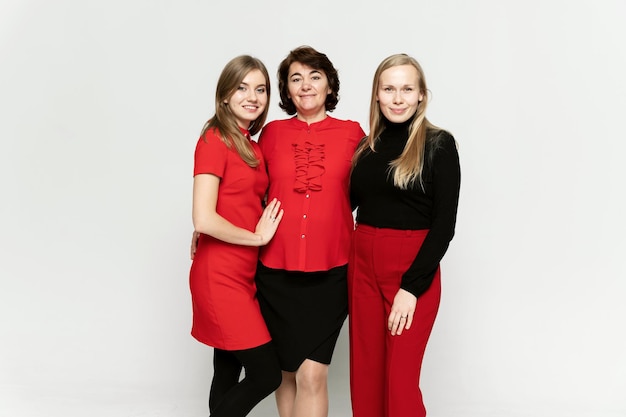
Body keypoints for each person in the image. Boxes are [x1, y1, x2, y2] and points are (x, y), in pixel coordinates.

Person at [254, 46, 365, 417]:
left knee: (312, 375)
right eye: (296, 78)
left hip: (331, 274)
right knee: (285, 374)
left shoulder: (354, 135)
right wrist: (207, 225)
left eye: (315, 77)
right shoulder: (269, 135)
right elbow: (245, 188)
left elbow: (376, 191)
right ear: (285, 90)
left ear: (330, 85)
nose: (306, 86)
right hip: (274, 273)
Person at [348, 54, 461, 417]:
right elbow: (335, 207)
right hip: (362, 265)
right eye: (389, 89)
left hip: (411, 269)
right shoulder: (366, 148)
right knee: (366, 378)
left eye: (407, 89)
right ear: (377, 95)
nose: (398, 98)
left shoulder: (439, 145)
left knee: (399, 384)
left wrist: (411, 288)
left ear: (421, 96)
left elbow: (444, 225)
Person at [189, 55, 284, 417]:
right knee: (266, 374)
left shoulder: (251, 145)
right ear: (225, 95)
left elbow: (227, 206)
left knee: (227, 370)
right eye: (242, 87)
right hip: (220, 276)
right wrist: (256, 238)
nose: (253, 96)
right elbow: (203, 216)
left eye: (260, 89)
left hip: (244, 275)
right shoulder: (215, 138)